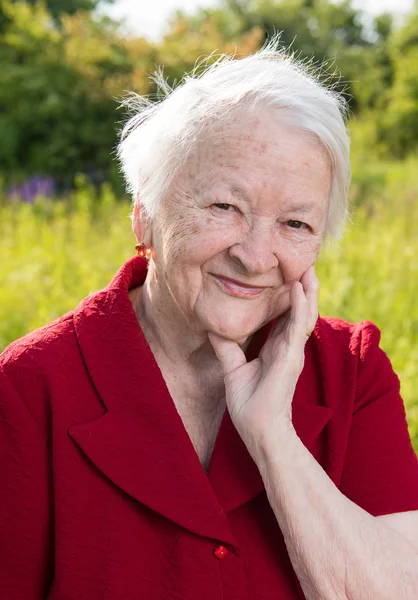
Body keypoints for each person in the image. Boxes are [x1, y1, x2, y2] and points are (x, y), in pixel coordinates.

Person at [1, 40, 418, 600]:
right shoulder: (30, 386)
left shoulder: (352, 371)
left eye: (295, 224)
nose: (255, 255)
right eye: (225, 207)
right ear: (145, 217)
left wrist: (274, 437)